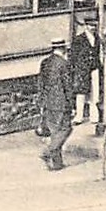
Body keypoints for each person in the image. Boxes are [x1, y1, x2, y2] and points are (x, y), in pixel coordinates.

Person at [36, 37, 74, 170]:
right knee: (65, 129)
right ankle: (48, 152)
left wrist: (41, 102)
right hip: (61, 103)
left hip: (48, 103)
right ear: (63, 48)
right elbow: (67, 86)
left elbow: (40, 83)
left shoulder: (44, 62)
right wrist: (72, 105)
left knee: (55, 132)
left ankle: (57, 164)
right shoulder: (64, 64)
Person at [68, 21, 100, 123]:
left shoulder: (97, 38)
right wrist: (76, 68)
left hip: (94, 68)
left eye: (95, 25)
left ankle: (94, 116)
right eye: (91, 25)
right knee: (80, 93)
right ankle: (79, 116)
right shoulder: (79, 39)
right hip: (82, 69)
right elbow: (73, 55)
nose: (93, 27)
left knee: (94, 94)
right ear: (85, 26)